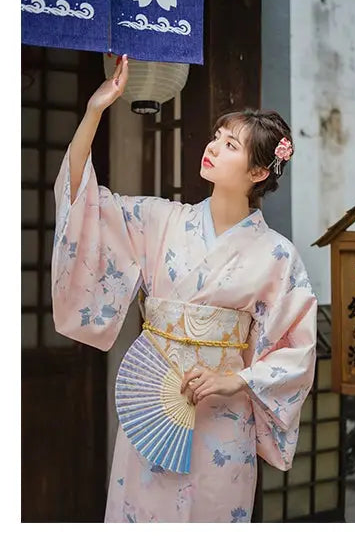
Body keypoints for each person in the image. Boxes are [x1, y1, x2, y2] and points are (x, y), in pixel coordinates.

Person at [51, 55, 318, 522]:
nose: (213, 146)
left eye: (230, 144)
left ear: (258, 172)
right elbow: (83, 202)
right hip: (151, 414)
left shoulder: (277, 255)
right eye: (216, 136)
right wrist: (95, 110)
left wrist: (237, 378)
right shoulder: (162, 221)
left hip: (223, 422)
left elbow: (298, 349)